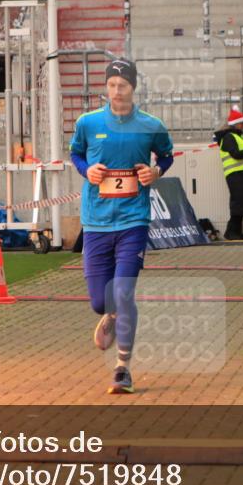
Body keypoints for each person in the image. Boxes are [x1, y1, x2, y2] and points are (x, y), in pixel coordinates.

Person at [69, 58, 175, 394]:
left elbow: (166, 156)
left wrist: (156, 172)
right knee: (101, 301)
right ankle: (109, 315)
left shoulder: (150, 125)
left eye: (123, 85)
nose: (117, 91)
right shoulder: (87, 123)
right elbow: (76, 154)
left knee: (124, 292)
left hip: (134, 221)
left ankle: (122, 368)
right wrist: (88, 171)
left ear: (133, 88)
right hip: (97, 222)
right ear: (106, 87)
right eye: (112, 85)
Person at [213, 107, 243, 240]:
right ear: (236, 124)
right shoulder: (229, 137)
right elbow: (236, 154)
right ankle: (232, 232)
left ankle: (235, 232)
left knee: (242, 204)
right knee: (238, 204)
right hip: (236, 175)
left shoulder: (239, 137)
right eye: (242, 123)